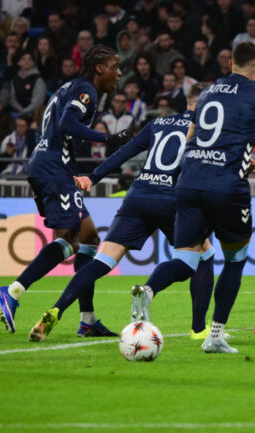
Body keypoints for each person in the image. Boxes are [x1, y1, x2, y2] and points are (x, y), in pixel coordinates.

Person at [128, 42, 255, 354]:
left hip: (189, 181)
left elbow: (191, 138)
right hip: (226, 186)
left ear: (230, 64)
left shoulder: (208, 91)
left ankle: (148, 291)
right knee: (235, 258)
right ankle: (214, 336)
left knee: (186, 259)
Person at [28, 84, 220, 342]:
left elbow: (126, 151)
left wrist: (93, 177)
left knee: (101, 261)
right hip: (173, 200)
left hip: (137, 196)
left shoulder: (158, 123)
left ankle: (56, 310)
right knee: (201, 256)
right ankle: (196, 327)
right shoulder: (207, 128)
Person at [0, 45, 133, 336]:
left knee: (89, 238)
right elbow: (68, 122)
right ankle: (13, 291)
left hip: (48, 166)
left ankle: (88, 320)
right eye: (114, 66)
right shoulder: (87, 91)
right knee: (69, 240)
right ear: (99, 68)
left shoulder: (69, 86)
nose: (119, 73)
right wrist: (107, 138)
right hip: (54, 169)